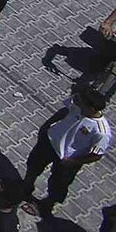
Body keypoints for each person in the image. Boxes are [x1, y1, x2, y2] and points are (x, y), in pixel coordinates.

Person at [20, 85, 112, 215]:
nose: (76, 101)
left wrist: (73, 161)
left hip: (68, 159)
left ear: (91, 109)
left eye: (80, 101)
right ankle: (26, 186)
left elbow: (97, 154)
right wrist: (46, 126)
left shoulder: (101, 131)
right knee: (33, 165)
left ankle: (47, 204)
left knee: (59, 183)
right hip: (50, 142)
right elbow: (64, 111)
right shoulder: (78, 105)